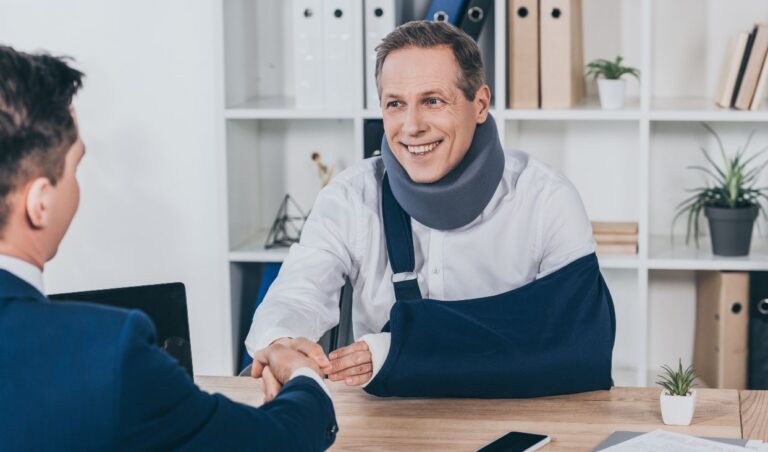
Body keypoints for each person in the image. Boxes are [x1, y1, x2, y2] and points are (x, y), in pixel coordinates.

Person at [0, 45, 337, 450]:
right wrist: (304, 378)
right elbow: (276, 443)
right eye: (75, 168)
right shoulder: (107, 355)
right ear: (40, 203)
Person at [246, 20, 603, 394]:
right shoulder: (350, 198)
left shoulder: (546, 200)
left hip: (518, 414)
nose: (411, 126)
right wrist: (279, 342)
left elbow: (578, 343)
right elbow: (299, 292)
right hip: (388, 421)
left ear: (480, 104)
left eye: (432, 101)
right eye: (395, 104)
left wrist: (396, 349)